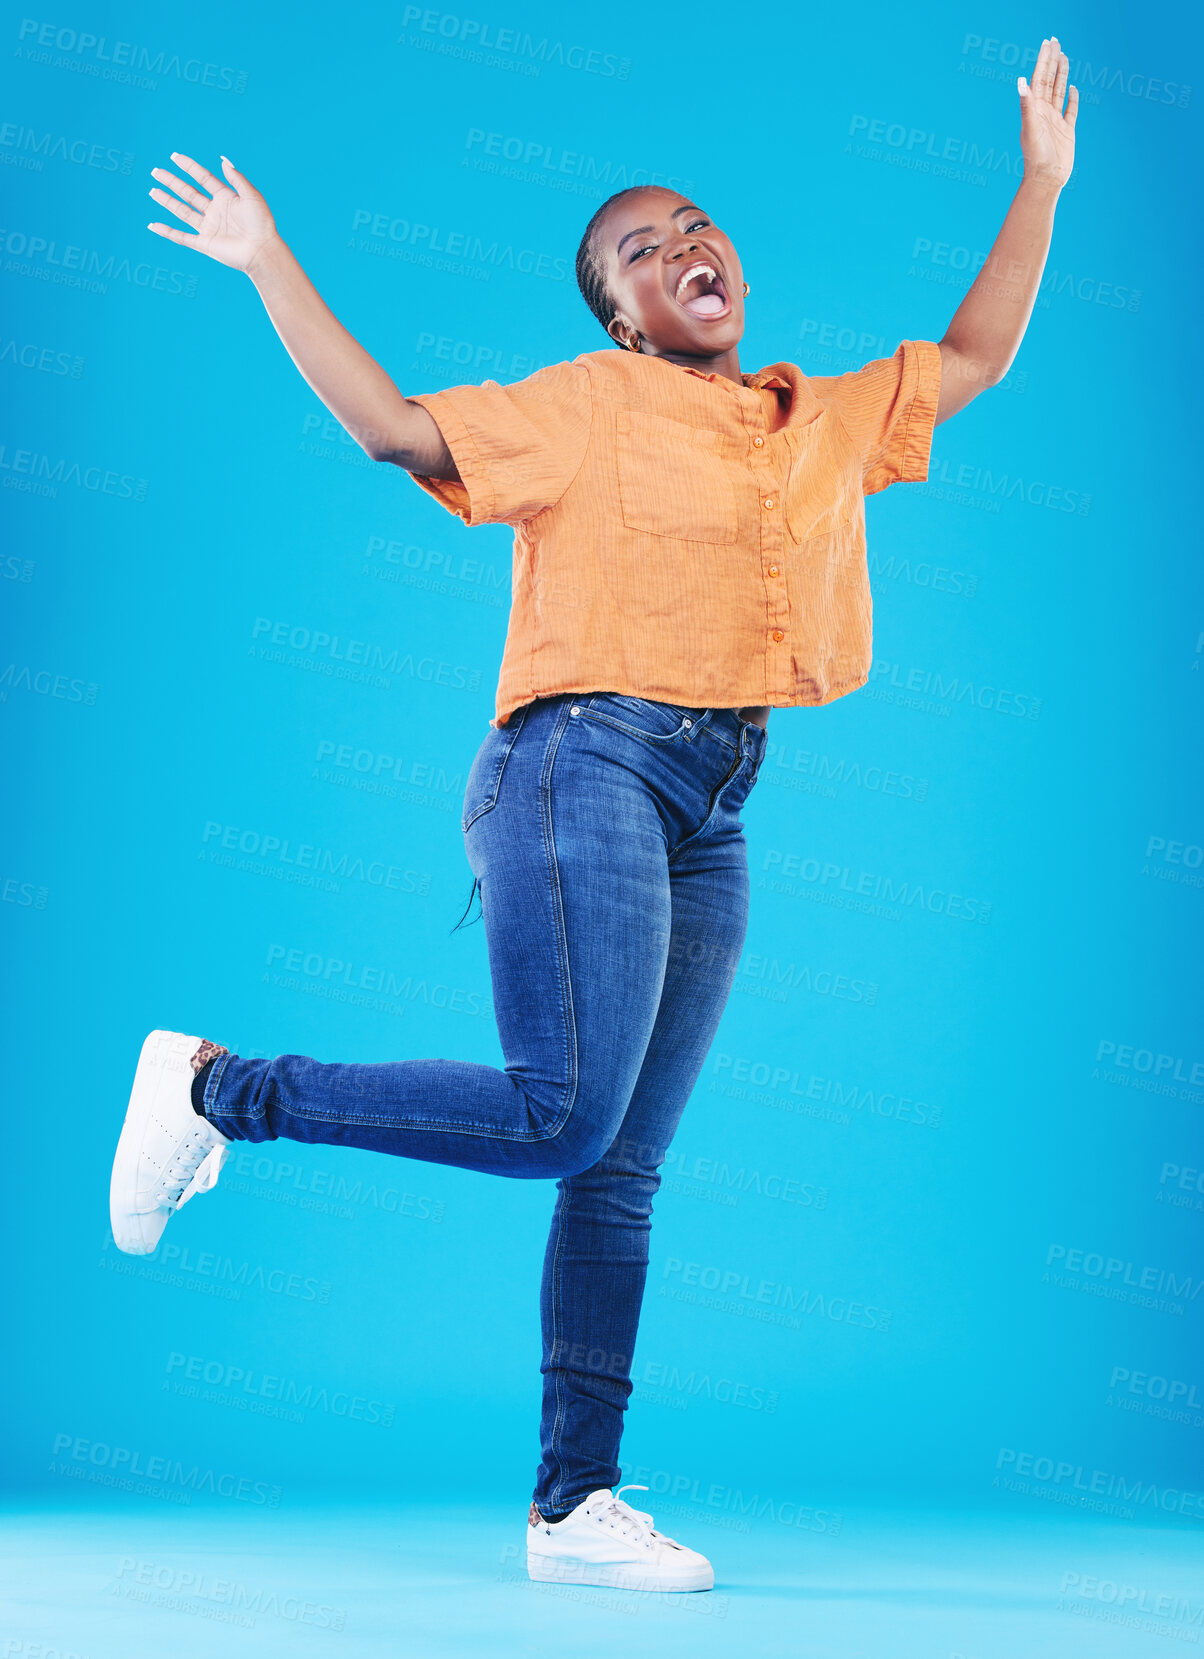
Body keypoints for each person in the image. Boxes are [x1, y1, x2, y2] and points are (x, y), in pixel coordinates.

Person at [109, 39, 1078, 1593]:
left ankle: (573, 1508)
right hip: (583, 763)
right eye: (641, 247)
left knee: (615, 1163)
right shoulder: (590, 404)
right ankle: (220, 1090)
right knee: (562, 1110)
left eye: (695, 222)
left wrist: (1038, 182)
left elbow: (970, 359)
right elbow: (396, 432)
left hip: (716, 798)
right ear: (618, 314)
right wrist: (268, 259)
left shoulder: (814, 419)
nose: (683, 246)